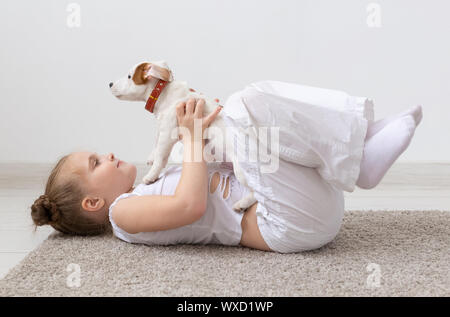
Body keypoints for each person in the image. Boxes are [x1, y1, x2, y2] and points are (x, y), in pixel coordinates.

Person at [30, 80, 422, 253]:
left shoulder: (154, 179)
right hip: (283, 225)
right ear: (94, 203)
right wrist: (192, 138)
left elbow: (229, 173)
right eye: (97, 162)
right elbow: (191, 206)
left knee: (248, 102)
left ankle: (360, 137)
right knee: (243, 106)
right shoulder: (122, 216)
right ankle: (359, 157)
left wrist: (216, 133)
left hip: (301, 199)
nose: (109, 155)